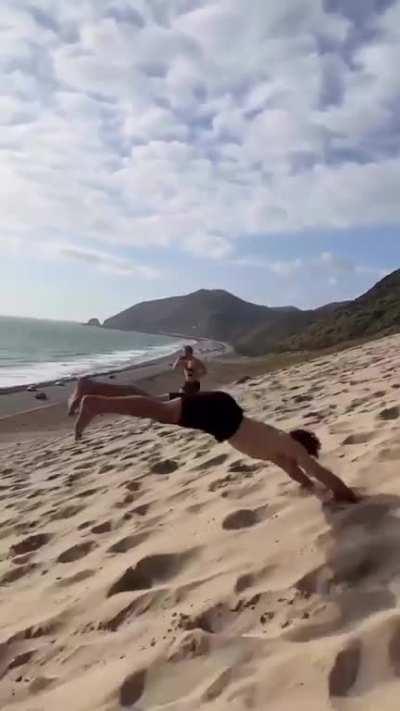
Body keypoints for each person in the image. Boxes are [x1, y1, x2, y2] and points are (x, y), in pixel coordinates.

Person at [70, 383, 357, 504]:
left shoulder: (280, 454)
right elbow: (317, 472)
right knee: (160, 410)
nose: (306, 460)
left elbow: (301, 477)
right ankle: (95, 403)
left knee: (154, 406)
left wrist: (311, 490)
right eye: (308, 453)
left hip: (221, 414)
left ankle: (92, 387)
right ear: (302, 445)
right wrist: (347, 495)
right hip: (220, 415)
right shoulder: (289, 447)